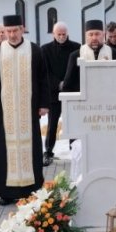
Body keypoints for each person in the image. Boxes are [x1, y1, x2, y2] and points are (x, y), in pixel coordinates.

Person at [0, 14, 50, 205]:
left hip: (29, 110)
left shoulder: (34, 50)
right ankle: (7, 192)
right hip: (6, 111)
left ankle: (32, 190)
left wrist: (44, 103)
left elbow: (43, 78)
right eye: (8, 31)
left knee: (32, 147)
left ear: (22, 29)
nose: (11, 35)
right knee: (5, 149)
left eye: (15, 30)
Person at [40, 22, 80, 166]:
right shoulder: (45, 49)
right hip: (54, 92)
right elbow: (45, 71)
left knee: (73, 123)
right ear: (53, 34)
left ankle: (75, 151)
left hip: (72, 91)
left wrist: (67, 82)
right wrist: (58, 83)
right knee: (52, 124)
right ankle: (48, 151)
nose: (62, 37)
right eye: (59, 34)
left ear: (67, 33)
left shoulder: (77, 47)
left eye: (64, 34)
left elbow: (78, 70)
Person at [61, 19, 116, 93]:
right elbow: (68, 85)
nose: (94, 38)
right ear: (86, 36)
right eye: (90, 34)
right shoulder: (75, 56)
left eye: (97, 34)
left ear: (103, 35)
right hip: (83, 101)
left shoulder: (115, 54)